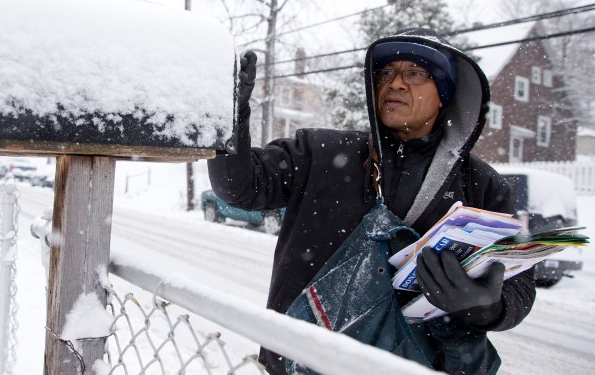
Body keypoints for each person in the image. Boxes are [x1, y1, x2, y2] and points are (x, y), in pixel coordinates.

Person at [208, 28, 536, 374]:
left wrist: (487, 308)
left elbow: (519, 283)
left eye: (414, 73)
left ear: (444, 94)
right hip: (302, 360)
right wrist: (228, 113)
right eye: (386, 73)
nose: (394, 84)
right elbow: (239, 187)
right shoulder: (319, 154)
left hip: (415, 364)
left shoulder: (483, 187)